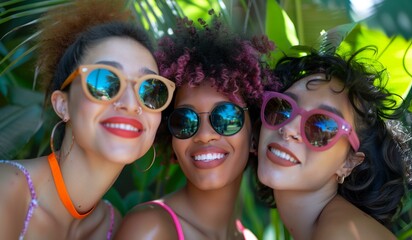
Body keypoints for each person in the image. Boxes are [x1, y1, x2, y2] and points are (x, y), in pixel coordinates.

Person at [0, 0, 175, 239]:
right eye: (104, 81)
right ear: (63, 105)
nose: (131, 103)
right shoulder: (7, 189)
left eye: (150, 89)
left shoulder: (112, 227)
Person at [115, 12, 279, 240]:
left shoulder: (248, 237)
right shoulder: (150, 229)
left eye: (225, 116)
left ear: (254, 136)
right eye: (185, 120)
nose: (204, 135)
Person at [256, 47, 412, 239]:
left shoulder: (342, 232)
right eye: (282, 108)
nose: (289, 129)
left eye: (321, 126)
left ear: (348, 163)